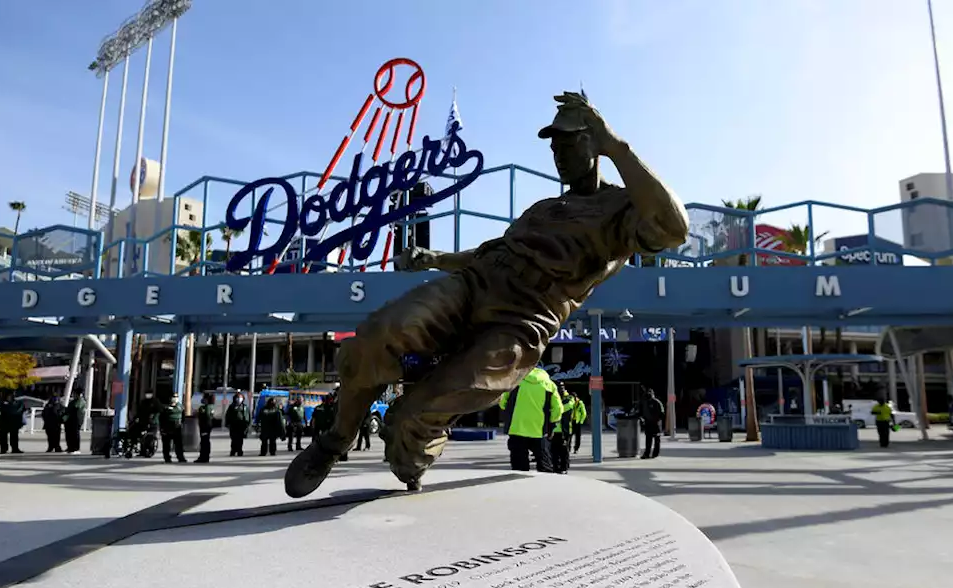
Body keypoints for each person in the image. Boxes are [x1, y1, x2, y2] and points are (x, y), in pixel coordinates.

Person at [285, 91, 688, 497]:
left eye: (569, 142)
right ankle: (336, 439)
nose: (559, 153)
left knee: (416, 416)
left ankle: (416, 443)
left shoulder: (621, 209)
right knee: (377, 335)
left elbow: (674, 227)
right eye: (554, 146)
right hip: (476, 284)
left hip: (522, 319)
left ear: (594, 143)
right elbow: (489, 252)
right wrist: (435, 257)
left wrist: (618, 146)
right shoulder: (543, 208)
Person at [499, 366, 563, 473]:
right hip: (539, 430)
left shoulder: (516, 382)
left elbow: (502, 402)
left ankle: (521, 486)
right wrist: (551, 423)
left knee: (519, 466)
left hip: (517, 428)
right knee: (544, 464)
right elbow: (558, 409)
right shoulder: (548, 384)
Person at [0, 388, 25, 454]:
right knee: (3, 437)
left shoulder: (17, 402)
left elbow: (22, 409)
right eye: (10, 395)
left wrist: (18, 418)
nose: (12, 396)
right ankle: (3, 449)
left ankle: (15, 449)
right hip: (3, 421)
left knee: (14, 437)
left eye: (13, 394)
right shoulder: (1, 402)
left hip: (13, 422)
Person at [550, 384, 575, 473]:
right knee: (553, 450)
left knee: (564, 450)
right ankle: (555, 467)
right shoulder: (552, 396)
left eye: (562, 388)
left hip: (565, 430)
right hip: (554, 429)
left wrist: (555, 408)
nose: (561, 389)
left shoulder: (569, 398)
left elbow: (567, 406)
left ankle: (564, 467)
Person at [160, 393, 186, 463]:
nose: (175, 398)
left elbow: (182, 416)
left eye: (176, 397)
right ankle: (167, 458)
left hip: (177, 427)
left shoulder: (180, 406)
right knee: (166, 445)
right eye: (173, 397)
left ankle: (181, 457)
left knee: (178, 444)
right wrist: (162, 429)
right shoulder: (165, 407)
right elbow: (161, 418)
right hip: (167, 428)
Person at [639, 388, 665, 459]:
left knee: (656, 439)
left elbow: (662, 412)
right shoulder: (644, 402)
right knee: (648, 439)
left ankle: (655, 453)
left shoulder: (657, 402)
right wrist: (642, 419)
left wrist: (658, 420)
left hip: (656, 423)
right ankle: (647, 453)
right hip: (648, 423)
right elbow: (641, 412)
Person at [195, 392, 215, 463]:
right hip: (207, 426)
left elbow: (205, 416)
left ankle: (203, 457)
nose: (202, 399)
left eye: (204, 398)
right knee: (205, 442)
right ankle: (205, 456)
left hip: (205, 426)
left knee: (204, 442)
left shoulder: (207, 407)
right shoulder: (210, 407)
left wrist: (199, 413)